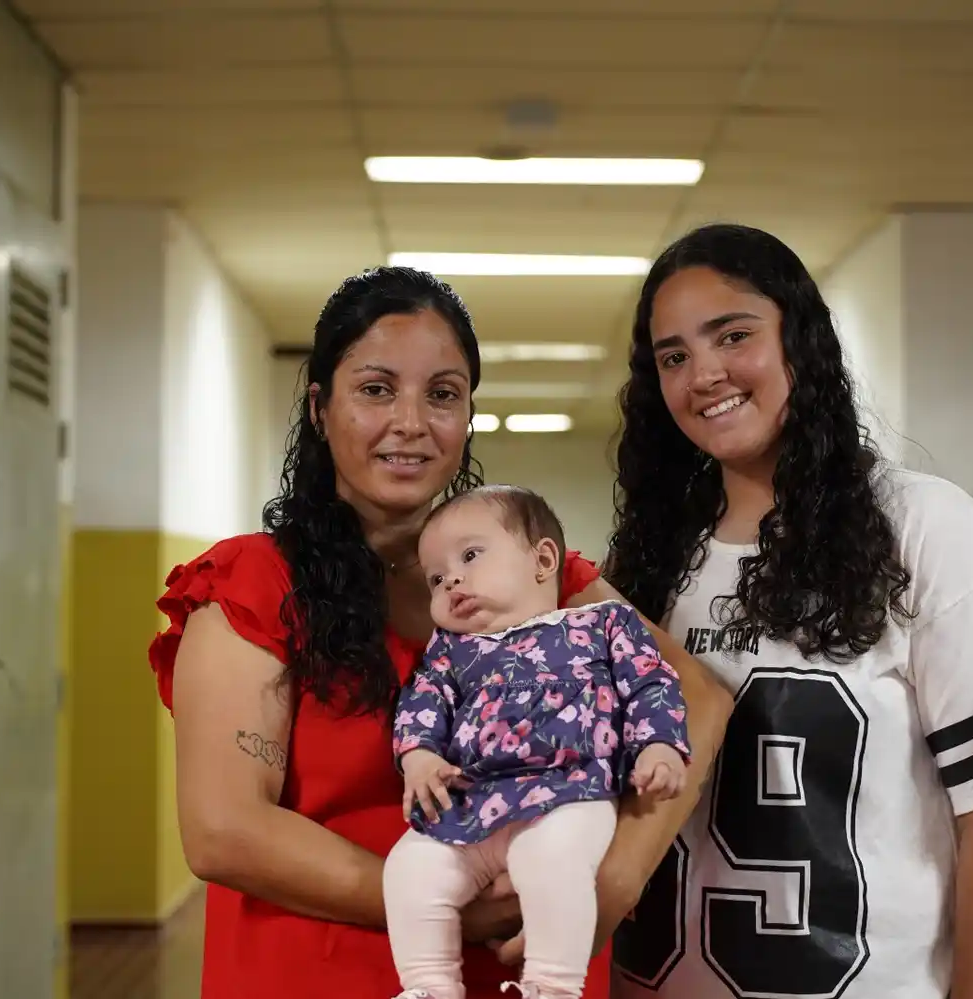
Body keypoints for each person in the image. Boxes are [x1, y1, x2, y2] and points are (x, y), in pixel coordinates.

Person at [146, 266, 733, 999]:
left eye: (444, 394)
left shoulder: (538, 574)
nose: (412, 422)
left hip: (526, 973)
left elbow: (696, 696)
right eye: (376, 388)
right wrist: (455, 910)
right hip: (324, 973)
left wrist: (610, 881)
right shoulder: (254, 583)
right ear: (321, 406)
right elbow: (224, 829)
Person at [604, 223, 973, 999]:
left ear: (801, 340)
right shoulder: (648, 556)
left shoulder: (924, 527)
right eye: (673, 356)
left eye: (734, 335)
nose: (704, 373)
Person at [385, 485, 692, 999]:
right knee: (410, 868)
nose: (452, 579)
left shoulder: (601, 624)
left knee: (550, 864)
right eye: (436, 578)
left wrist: (659, 745)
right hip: (472, 802)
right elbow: (422, 701)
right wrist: (418, 756)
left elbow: (651, 682)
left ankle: (552, 985)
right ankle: (429, 985)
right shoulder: (452, 652)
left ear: (543, 559)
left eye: (470, 556)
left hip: (570, 792)